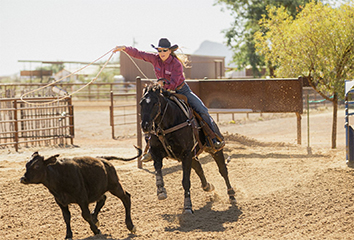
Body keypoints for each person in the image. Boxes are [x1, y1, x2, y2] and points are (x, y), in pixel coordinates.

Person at [113, 38, 224, 161]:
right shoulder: (155, 58)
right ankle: (151, 148)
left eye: (164, 50)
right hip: (164, 92)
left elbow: (175, 82)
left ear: (169, 51)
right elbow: (139, 54)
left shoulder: (176, 64)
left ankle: (212, 139)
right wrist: (124, 48)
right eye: (159, 50)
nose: (161, 52)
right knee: (152, 113)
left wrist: (163, 83)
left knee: (201, 109)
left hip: (181, 90)